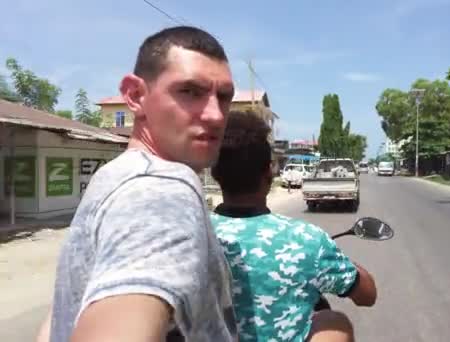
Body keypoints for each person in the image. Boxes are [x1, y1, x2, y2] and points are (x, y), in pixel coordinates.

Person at [38, 26, 237, 342]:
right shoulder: (163, 189)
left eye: (224, 97)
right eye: (190, 91)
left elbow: (59, 317)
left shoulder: (114, 176)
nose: (215, 115)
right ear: (135, 96)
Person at [210, 110, 377, 342]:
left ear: (215, 173)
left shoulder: (192, 235)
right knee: (335, 321)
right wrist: (333, 257)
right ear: (269, 172)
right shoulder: (307, 240)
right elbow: (367, 295)